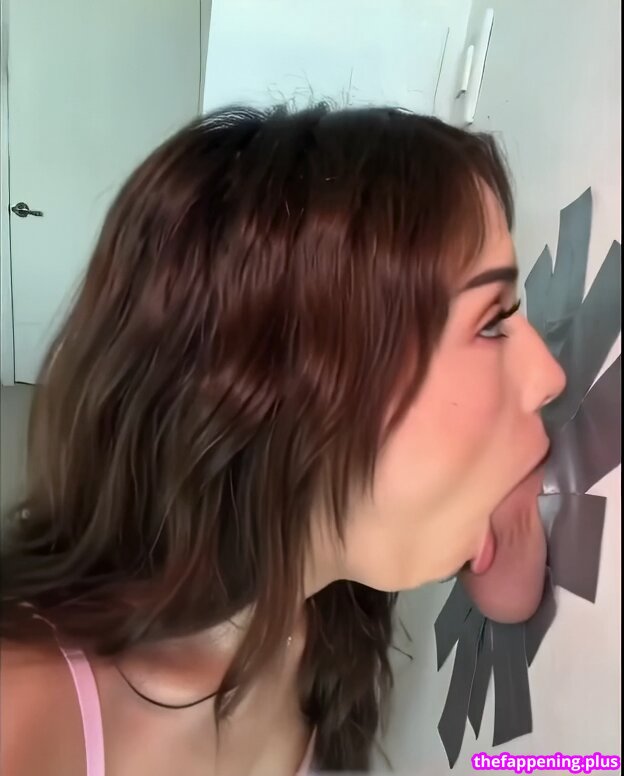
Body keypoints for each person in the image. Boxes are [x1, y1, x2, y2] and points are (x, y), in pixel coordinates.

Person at [0, 104, 565, 776]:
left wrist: (507, 496)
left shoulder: (327, 600)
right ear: (287, 390)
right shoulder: (22, 713)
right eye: (492, 321)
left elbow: (502, 575)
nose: (550, 376)